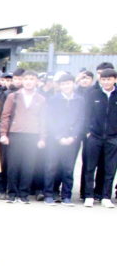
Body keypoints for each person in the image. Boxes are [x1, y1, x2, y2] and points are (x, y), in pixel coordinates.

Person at [0, 71, 47, 204]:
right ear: (22, 81)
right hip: (15, 133)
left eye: (32, 79)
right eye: (26, 79)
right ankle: (12, 193)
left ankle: (23, 194)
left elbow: (43, 120)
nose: (29, 82)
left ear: (36, 81)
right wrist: (3, 134)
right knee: (13, 165)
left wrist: (42, 138)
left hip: (32, 135)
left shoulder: (41, 99)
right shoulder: (13, 96)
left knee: (28, 166)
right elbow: (5, 116)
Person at [43, 73, 83, 206]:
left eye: (68, 83)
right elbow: (50, 119)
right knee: (51, 167)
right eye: (63, 84)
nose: (66, 86)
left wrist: (73, 136)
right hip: (55, 139)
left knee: (68, 168)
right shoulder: (53, 99)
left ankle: (66, 196)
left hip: (72, 139)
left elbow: (81, 119)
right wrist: (58, 136)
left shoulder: (80, 100)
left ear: (73, 84)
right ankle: (48, 195)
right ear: (59, 86)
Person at [80, 67, 117, 207]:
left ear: (115, 80)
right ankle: (89, 195)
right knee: (90, 167)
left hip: (113, 138)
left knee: (110, 169)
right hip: (94, 136)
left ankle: (105, 196)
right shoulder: (93, 94)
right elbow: (85, 115)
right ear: (100, 80)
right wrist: (87, 132)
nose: (106, 82)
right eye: (103, 79)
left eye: (109, 79)